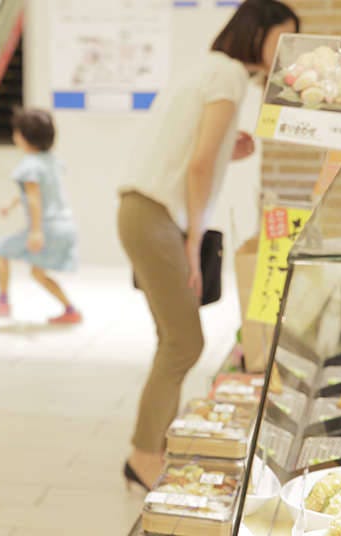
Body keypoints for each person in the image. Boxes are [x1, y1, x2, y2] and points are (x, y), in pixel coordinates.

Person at [117, 0, 300, 489]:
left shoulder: (209, 68)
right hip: (156, 217)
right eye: (283, 36)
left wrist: (226, 150)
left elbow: (196, 153)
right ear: (256, 31)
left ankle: (153, 446)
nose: (287, 50)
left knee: (173, 340)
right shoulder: (229, 76)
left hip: (144, 211)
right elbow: (198, 166)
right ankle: (143, 454)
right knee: (185, 342)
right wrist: (194, 240)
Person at [0, 109, 81, 324]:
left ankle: (2, 302)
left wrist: (35, 231)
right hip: (64, 225)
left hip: (46, 227)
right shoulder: (50, 161)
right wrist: (11, 205)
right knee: (38, 273)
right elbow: (36, 192)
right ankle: (70, 310)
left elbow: (34, 198)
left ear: (23, 136)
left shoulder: (29, 165)